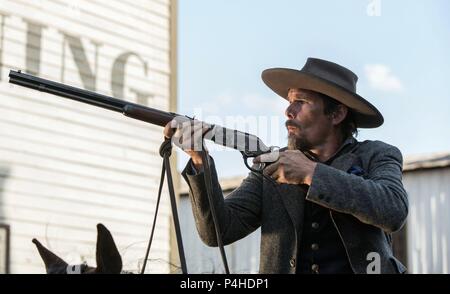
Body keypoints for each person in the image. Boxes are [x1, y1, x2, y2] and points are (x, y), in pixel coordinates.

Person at [164, 58, 408, 274]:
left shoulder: (376, 154)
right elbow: (218, 230)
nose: (288, 110)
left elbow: (393, 211)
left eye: (301, 101)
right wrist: (199, 159)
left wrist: (312, 174)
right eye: (290, 101)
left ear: (337, 114)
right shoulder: (272, 165)